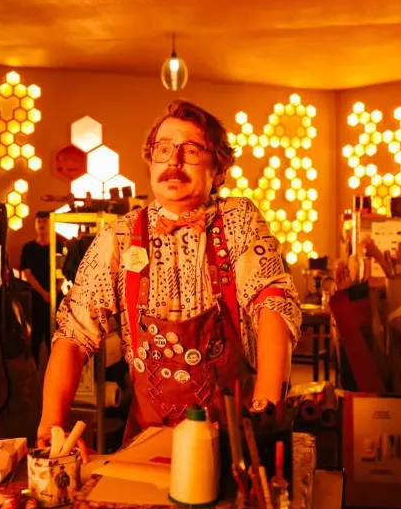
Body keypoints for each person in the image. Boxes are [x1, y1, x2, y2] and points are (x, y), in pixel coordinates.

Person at [38, 100, 302, 449]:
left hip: (236, 443)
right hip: (149, 443)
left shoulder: (238, 219)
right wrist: (51, 426)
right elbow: (74, 332)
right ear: (150, 159)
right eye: (163, 149)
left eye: (191, 151)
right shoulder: (118, 236)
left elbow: (272, 304)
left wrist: (266, 410)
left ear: (219, 170)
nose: (173, 162)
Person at [20, 212, 67, 367]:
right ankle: (34, 376)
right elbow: (27, 273)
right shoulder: (28, 248)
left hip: (56, 299)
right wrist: (43, 293)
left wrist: (54, 291)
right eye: (38, 221)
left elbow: (64, 272)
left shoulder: (59, 246)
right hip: (36, 298)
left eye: (45, 221)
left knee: (54, 336)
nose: (41, 224)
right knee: (35, 337)